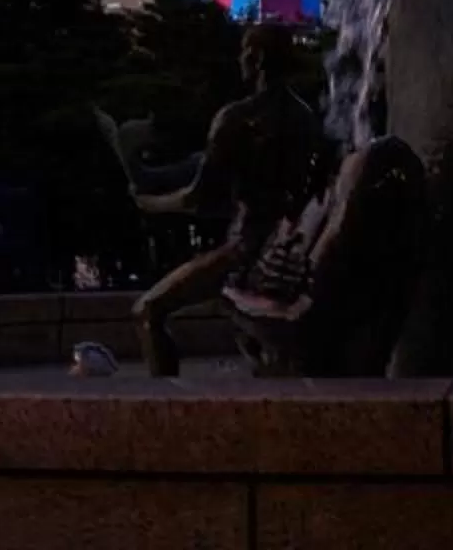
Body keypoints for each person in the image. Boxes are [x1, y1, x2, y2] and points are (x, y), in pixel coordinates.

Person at [126, 25, 324, 376]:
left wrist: (148, 204)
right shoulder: (305, 117)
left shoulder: (235, 118)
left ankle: (162, 407)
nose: (239, 59)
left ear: (258, 58)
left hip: (244, 248)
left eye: (244, 51)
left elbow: (196, 198)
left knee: (147, 312)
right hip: (287, 247)